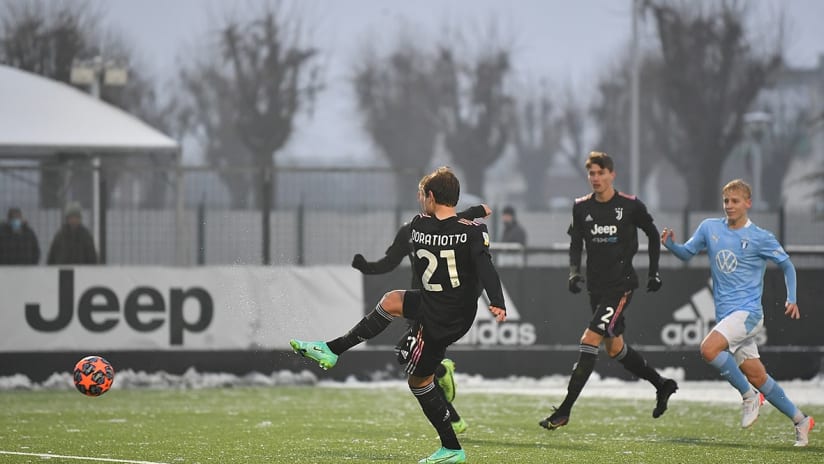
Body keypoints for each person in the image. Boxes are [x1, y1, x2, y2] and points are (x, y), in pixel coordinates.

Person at [291, 167, 507, 464]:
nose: (420, 201)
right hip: (456, 310)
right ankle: (331, 349)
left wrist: (470, 211)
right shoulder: (473, 230)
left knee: (419, 383)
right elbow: (484, 262)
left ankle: (452, 448)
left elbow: (441, 224)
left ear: (430, 197)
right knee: (392, 301)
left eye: (423, 196)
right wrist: (497, 301)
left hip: (438, 315)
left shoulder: (417, 226)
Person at [662, 179, 814, 447]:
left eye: (735, 201)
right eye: (726, 201)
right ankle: (801, 420)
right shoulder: (710, 228)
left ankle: (748, 396)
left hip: (749, 313)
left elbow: (787, 265)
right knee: (758, 375)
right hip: (727, 316)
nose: (729, 206)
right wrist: (672, 245)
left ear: (748, 203)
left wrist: (792, 297)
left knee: (708, 349)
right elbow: (687, 253)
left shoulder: (760, 237)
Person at [541, 151, 677, 431]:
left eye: (601, 173)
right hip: (597, 288)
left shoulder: (630, 205)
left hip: (621, 286)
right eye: (591, 173)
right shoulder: (581, 207)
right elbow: (576, 242)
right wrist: (573, 271)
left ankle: (564, 410)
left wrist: (654, 271)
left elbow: (652, 234)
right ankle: (662, 384)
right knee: (615, 348)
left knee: (589, 339)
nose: (596, 178)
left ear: (612, 174)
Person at [351, 193, 491, 433]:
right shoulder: (411, 230)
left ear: (430, 198)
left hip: (442, 304)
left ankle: (452, 416)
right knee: (413, 361)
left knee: (414, 361)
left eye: (425, 195)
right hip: (420, 302)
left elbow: (462, 219)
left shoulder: (452, 226)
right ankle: (444, 381)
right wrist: (365, 267)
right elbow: (389, 262)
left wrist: (477, 210)